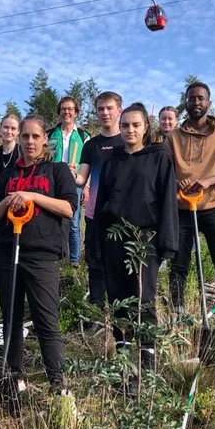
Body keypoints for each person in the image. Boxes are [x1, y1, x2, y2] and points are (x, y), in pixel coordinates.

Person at [0, 114, 78, 395]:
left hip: (42, 255)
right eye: (24, 136)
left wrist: (32, 196)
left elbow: (68, 208)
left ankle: (58, 386)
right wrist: (7, 199)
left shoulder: (57, 170)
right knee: (11, 319)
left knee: (46, 321)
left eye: (35, 136)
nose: (29, 141)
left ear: (44, 140)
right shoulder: (9, 173)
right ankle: (15, 381)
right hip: (7, 253)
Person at [95, 103, 178, 370]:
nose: (129, 130)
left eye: (135, 125)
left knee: (144, 300)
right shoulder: (112, 161)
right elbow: (101, 204)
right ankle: (123, 357)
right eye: (125, 125)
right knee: (118, 299)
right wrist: (95, 241)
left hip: (145, 240)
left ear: (145, 128)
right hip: (113, 239)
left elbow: (167, 200)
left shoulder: (159, 157)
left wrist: (167, 242)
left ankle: (147, 361)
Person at [166, 82, 215, 345]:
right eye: (191, 98)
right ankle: (178, 323)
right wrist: (177, 184)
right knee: (179, 267)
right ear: (185, 103)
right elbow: (165, 171)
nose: (196, 102)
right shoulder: (173, 137)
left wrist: (209, 181)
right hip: (182, 207)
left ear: (209, 103)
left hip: (214, 205)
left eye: (200, 98)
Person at [72, 91, 124, 310]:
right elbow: (82, 179)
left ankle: (122, 309)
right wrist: (69, 174)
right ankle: (96, 308)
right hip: (95, 214)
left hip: (123, 215)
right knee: (95, 262)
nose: (105, 113)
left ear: (119, 111)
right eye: (101, 109)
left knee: (121, 263)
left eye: (109, 108)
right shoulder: (91, 145)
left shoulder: (127, 141)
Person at [47, 97, 91, 266]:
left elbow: (89, 163)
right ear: (59, 112)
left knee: (73, 222)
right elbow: (44, 157)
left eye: (70, 109)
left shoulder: (83, 136)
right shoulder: (51, 134)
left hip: (75, 183)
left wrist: (86, 186)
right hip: (53, 182)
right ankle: (57, 257)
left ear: (76, 112)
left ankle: (74, 261)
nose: (67, 112)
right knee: (53, 219)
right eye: (63, 109)